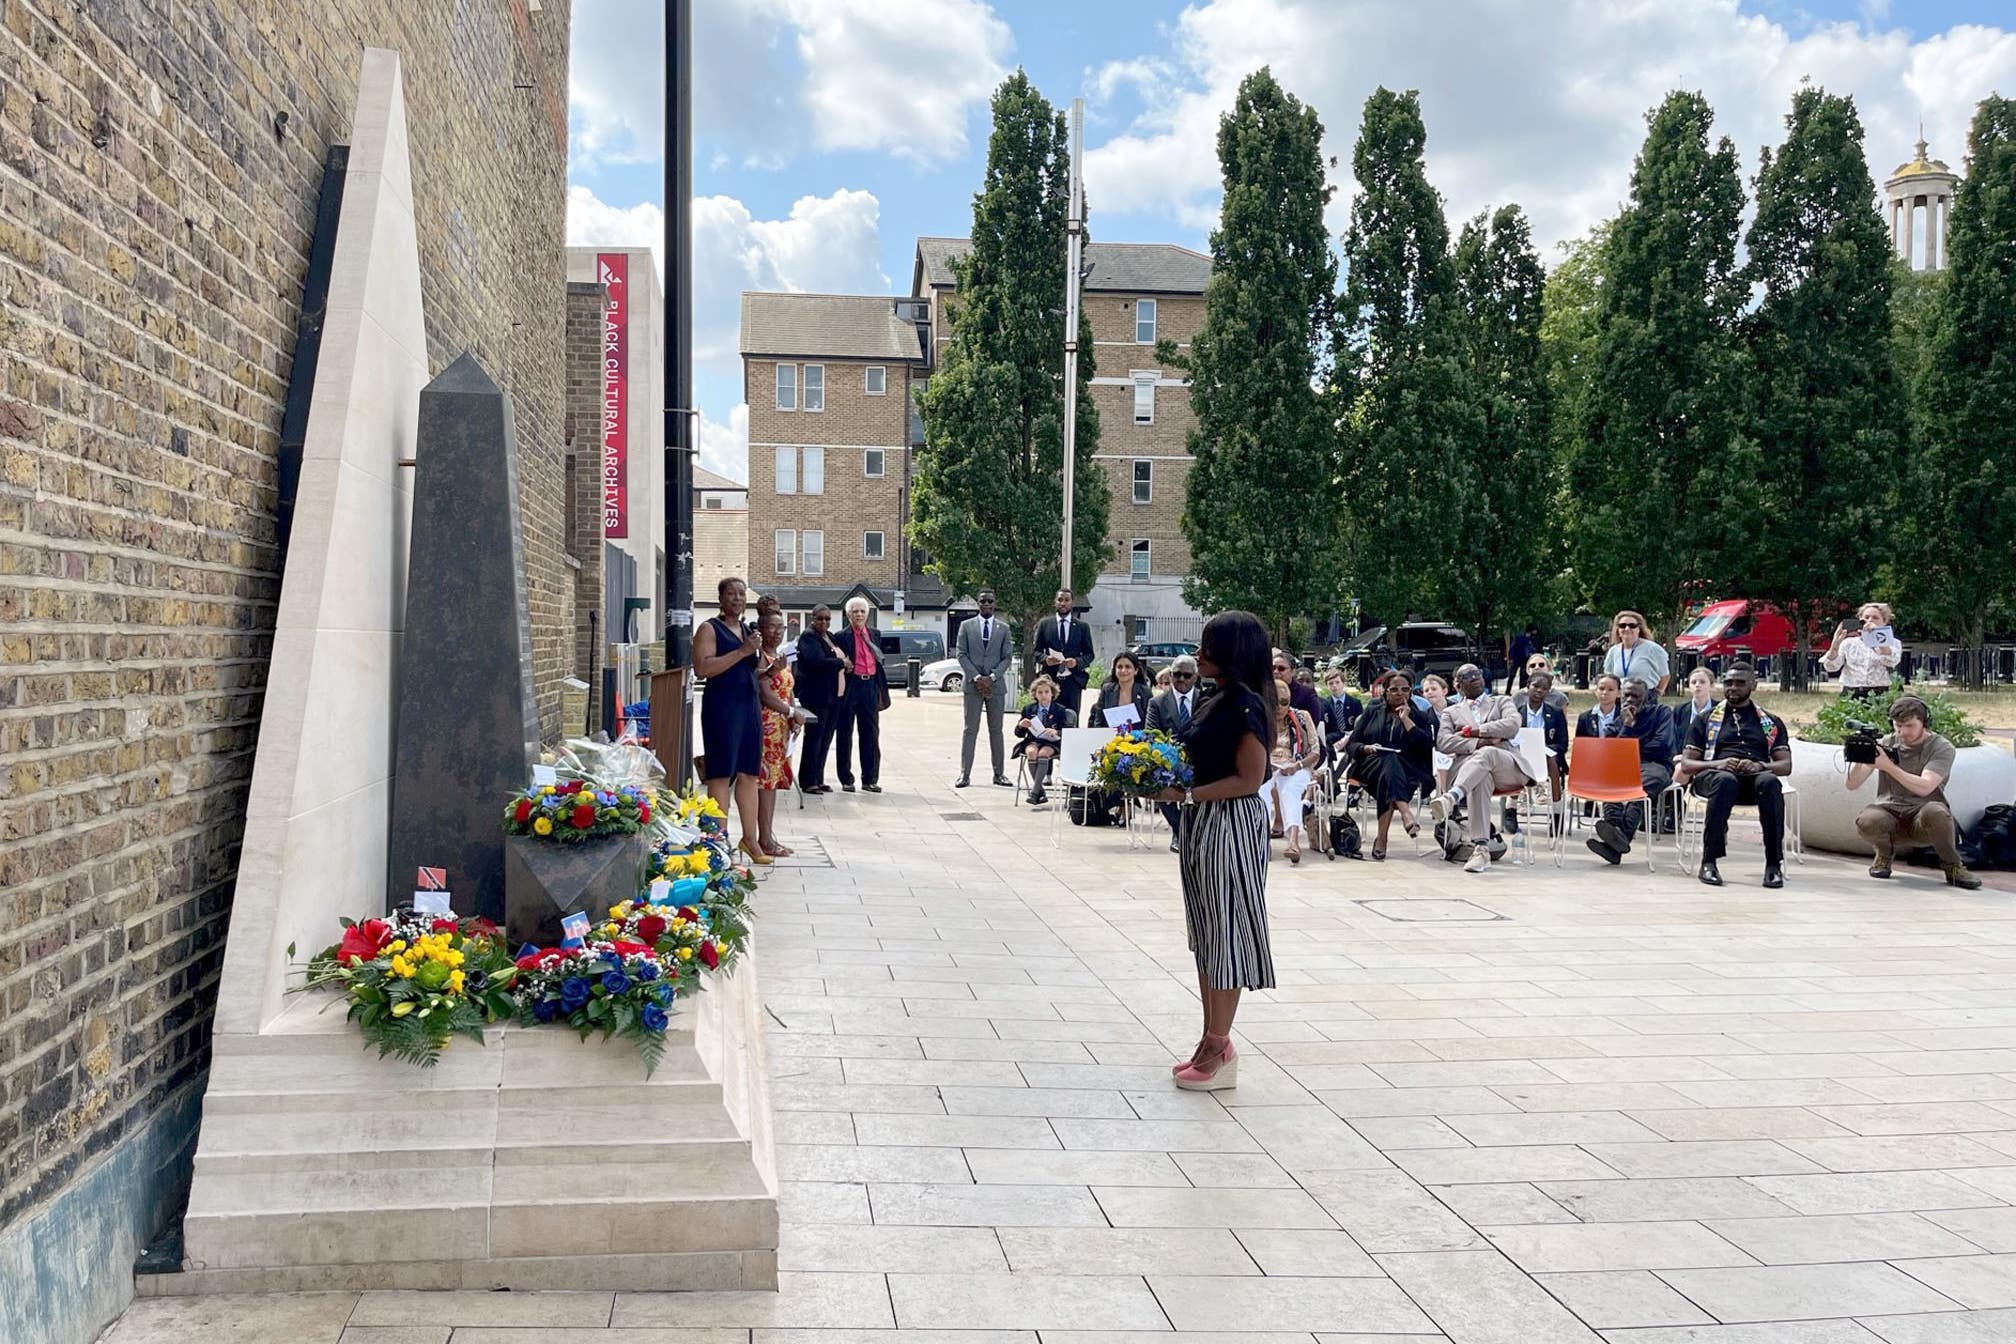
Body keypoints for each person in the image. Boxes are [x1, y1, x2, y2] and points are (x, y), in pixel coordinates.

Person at [1157, 610, 1276, 1091]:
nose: (1199, 654)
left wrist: (1185, 796)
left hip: (1230, 824)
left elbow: (1249, 779)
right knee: (1207, 932)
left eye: (1208, 646)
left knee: (1225, 932)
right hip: (1204, 824)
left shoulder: (1246, 704)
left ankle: (1219, 1043)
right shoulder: (1215, 698)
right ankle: (1212, 1040)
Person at [1848, 695, 1982, 889]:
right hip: (1890, 810)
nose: (1902, 732)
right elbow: (1852, 784)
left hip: (1923, 816)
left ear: (1924, 722)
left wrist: (1888, 767)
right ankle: (1884, 855)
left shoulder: (1940, 747)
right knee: (1868, 819)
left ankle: (1953, 866)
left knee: (1936, 812)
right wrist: (1862, 756)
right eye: (1897, 726)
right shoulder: (1888, 742)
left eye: (1909, 726)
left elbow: (1926, 786)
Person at [1678, 663, 1790, 888]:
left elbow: (1785, 765)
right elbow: (1687, 764)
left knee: (1769, 783)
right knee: (1725, 780)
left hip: (1753, 780)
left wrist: (1759, 765)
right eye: (1728, 683)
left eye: (1740, 683)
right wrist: (1720, 763)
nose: (1733, 688)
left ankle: (1773, 864)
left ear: (1753, 685)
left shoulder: (1769, 722)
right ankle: (1709, 861)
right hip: (1714, 777)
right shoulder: (1706, 719)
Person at [1430, 664, 1541, 873]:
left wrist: (1476, 732)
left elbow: (1512, 724)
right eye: (1467, 676)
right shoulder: (1451, 712)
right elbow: (1443, 742)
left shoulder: (1501, 701)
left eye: (1477, 674)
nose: (1474, 678)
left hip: (1508, 766)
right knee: (1482, 773)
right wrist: (1481, 742)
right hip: (1472, 772)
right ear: (1458, 685)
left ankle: (1451, 797)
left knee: (1489, 754)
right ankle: (1481, 849)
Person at [693, 577, 768, 866]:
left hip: (749, 707)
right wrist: (742, 651)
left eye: (741, 594)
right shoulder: (710, 628)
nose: (737, 598)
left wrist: (770, 668)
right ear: (721, 599)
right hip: (722, 708)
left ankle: (751, 839)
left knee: (750, 773)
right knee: (722, 774)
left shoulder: (749, 629)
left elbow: (753, 669)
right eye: (731, 594)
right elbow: (703, 668)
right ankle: (717, 841)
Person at [1343, 670, 1436, 860]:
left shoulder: (1419, 715)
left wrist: (1406, 720)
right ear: (1385, 691)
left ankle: (1382, 838)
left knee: (1390, 767)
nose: (1400, 693)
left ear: (1411, 692)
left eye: (1405, 689)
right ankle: (1405, 812)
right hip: (1369, 765)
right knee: (1388, 761)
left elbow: (1426, 746)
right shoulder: (1373, 709)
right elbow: (1352, 744)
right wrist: (1366, 747)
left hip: (1406, 770)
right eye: (1394, 689)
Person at [1584, 677, 1675, 866]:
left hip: (1656, 766)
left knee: (1639, 786)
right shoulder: (1619, 721)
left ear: (1647, 697)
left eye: (1636, 695)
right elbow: (1612, 752)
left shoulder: (1662, 713)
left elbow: (1662, 745)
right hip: (1626, 766)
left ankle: (1618, 838)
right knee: (1610, 779)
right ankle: (1616, 839)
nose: (1630, 699)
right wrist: (1627, 727)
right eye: (1627, 695)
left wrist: (1631, 748)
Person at [754, 609, 802, 858]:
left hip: (782, 727)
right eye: (771, 627)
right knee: (765, 782)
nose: (777, 632)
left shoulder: (781, 656)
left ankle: (768, 835)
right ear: (761, 630)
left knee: (773, 781)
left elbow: (788, 689)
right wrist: (791, 711)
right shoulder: (760, 657)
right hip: (766, 725)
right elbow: (765, 694)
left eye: (780, 628)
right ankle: (763, 839)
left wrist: (792, 714)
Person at [955, 589, 1014, 789]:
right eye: (982, 601)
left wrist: (993, 677)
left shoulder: (1003, 628)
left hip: (995, 686)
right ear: (978, 604)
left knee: (996, 731)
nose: (986, 604)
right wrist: (978, 677)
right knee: (970, 730)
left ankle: (999, 774)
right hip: (973, 685)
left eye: (990, 601)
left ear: (995, 603)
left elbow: (1007, 656)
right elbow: (961, 655)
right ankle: (965, 774)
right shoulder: (966, 626)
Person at [1260, 681, 1323, 863]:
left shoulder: (1302, 717)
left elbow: (1315, 751)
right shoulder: (1261, 718)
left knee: (1289, 790)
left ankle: (1294, 841)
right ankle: (1262, 841)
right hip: (1267, 766)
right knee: (1261, 790)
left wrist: (1296, 766)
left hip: (1296, 765)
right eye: (1274, 702)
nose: (1279, 707)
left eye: (1284, 702)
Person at [832, 596, 889, 794]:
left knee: (871, 734)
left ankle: (870, 779)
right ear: (848, 615)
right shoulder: (840, 636)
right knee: (845, 733)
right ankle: (846, 779)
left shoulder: (875, 634)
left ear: (867, 614)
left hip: (870, 686)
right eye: (855, 611)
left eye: (862, 611)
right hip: (851, 686)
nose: (859, 614)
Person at [1147, 655, 1202, 851]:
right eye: (1177, 675)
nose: (1181, 680)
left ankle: (1193, 830)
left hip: (1200, 759)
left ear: (1195, 677)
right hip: (1168, 759)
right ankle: (1180, 831)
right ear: (1170, 675)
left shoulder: (1206, 700)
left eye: (1187, 675)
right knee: (1154, 780)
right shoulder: (1157, 703)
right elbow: (1151, 734)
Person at [792, 605, 844, 794]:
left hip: (833, 695)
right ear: (812, 619)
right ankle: (808, 780)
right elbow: (816, 662)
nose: (824, 622)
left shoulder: (829, 637)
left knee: (826, 739)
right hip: (816, 695)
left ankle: (818, 778)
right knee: (814, 738)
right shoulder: (809, 636)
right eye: (820, 618)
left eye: (827, 619)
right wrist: (841, 663)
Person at [1033, 589, 1096, 721]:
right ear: (1055, 602)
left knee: (1071, 719)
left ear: (1072, 603)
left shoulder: (1082, 627)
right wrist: (1045, 659)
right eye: (1060, 600)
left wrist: (1077, 661)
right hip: (1050, 681)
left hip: (1073, 681)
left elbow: (1089, 654)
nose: (1063, 603)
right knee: (1050, 720)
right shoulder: (1045, 625)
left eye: (1066, 600)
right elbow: (1035, 652)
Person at [1013, 675, 1075, 805]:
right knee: (1031, 752)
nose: (1043, 695)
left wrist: (1056, 732)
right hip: (1034, 739)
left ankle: (1035, 793)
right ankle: (1040, 791)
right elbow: (1019, 734)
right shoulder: (1028, 709)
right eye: (1040, 692)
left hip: (1052, 742)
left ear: (1052, 693)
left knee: (1043, 753)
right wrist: (1020, 725)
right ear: (1035, 694)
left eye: (1046, 692)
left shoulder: (1060, 710)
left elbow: (1068, 732)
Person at [1823, 601, 1902, 700]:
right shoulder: (1849, 643)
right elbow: (1831, 667)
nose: (1870, 621)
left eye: (1875, 618)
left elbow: (1892, 661)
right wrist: (1834, 646)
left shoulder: (1893, 643)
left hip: (1880, 694)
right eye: (1866, 617)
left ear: (1884, 621)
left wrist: (1877, 634)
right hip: (1851, 693)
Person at [1603, 610, 1671, 698]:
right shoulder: (1613, 651)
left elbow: (1665, 675)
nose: (1627, 629)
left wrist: (1657, 693)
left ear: (1639, 629)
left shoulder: (1653, 649)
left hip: (1645, 698)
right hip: (1621, 698)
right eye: (1622, 625)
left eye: (1632, 625)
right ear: (1618, 630)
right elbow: (1609, 676)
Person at [1096, 649, 1152, 729]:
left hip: (1138, 739)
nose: (1123, 670)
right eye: (1119, 667)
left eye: (1128, 667)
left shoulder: (1145, 692)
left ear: (1135, 671)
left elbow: (1149, 723)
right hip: (1110, 738)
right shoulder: (1106, 690)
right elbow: (1099, 721)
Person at [1672, 666, 1718, 755]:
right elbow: (1673, 738)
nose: (1697, 685)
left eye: (1702, 682)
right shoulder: (1679, 710)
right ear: (1689, 686)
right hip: (1683, 757)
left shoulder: (1720, 709)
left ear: (1711, 685)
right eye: (1693, 682)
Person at [1275, 650, 1323, 723]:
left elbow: (1312, 723)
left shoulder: (1307, 694)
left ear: (1293, 671)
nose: (1275, 672)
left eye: (1281, 669)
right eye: (1273, 668)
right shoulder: (1263, 692)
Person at [1575, 673, 1624, 741]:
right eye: (1601, 688)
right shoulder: (1585, 717)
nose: (1605, 692)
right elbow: (1580, 743)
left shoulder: (1624, 716)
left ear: (1619, 693)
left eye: (1610, 689)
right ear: (1596, 691)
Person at [1508, 624, 1541, 693]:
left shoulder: (1532, 638)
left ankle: (1521, 690)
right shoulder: (1520, 637)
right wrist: (1511, 658)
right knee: (1512, 675)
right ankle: (1508, 690)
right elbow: (1513, 648)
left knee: (1523, 676)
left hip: (1525, 659)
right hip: (1517, 658)